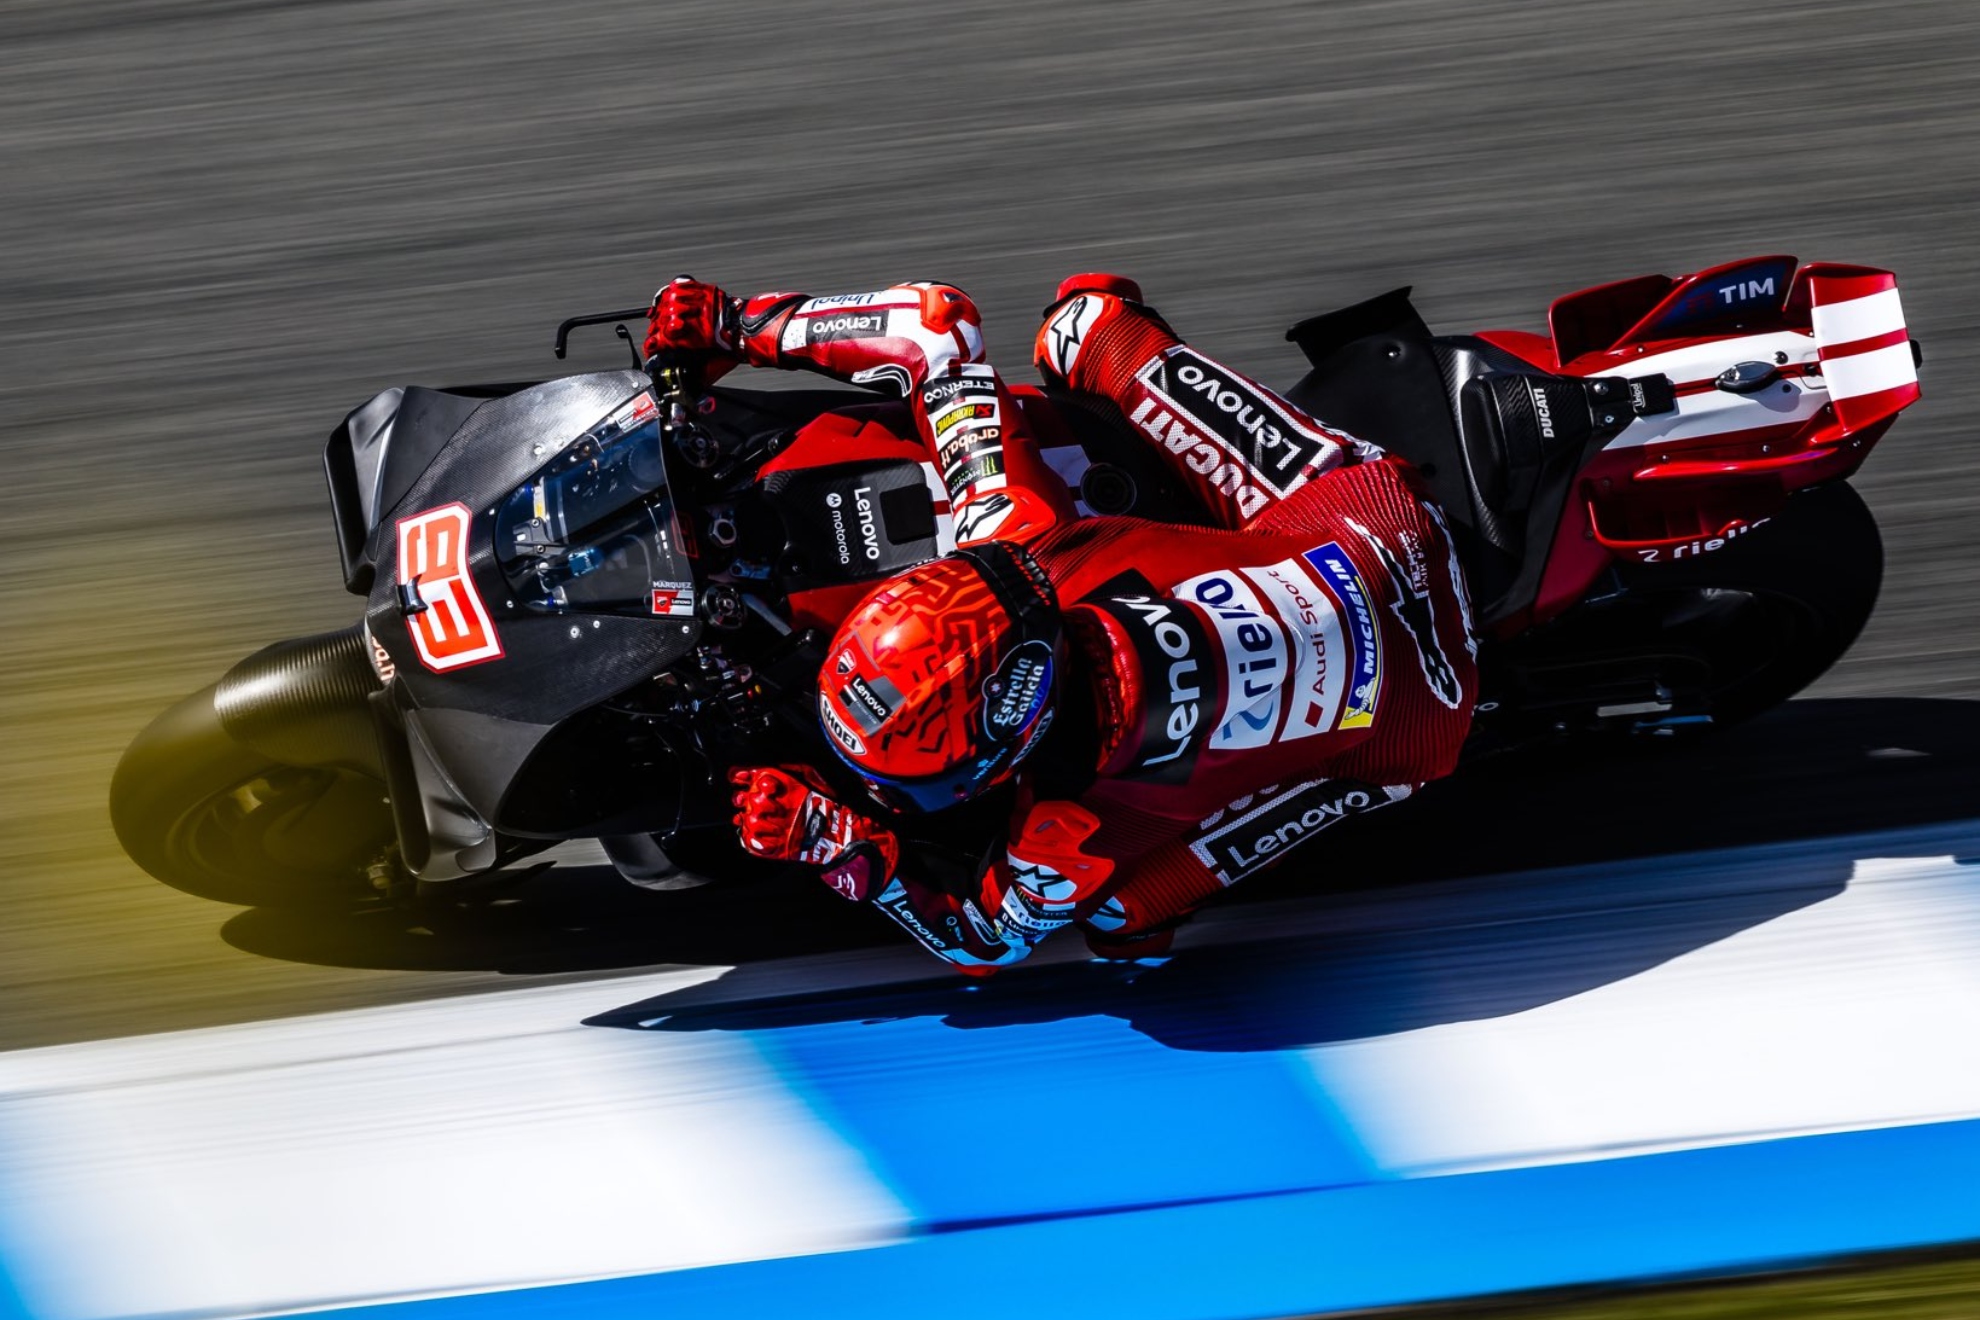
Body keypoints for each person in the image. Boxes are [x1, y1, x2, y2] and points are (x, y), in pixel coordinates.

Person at [645, 272, 1478, 973]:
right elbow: (939, 326)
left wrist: (840, 841)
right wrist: (737, 324)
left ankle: (1361, 784)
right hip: (1373, 531)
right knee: (1084, 323)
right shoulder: (1013, 534)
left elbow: (987, 944)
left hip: (1409, 731)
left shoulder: (1066, 825)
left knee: (1123, 921)